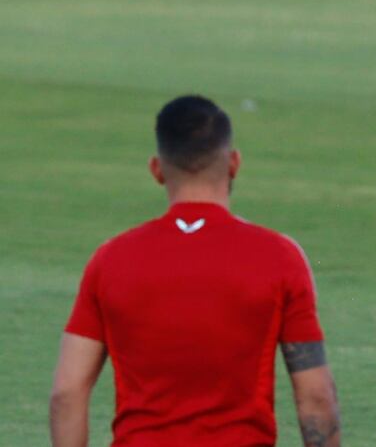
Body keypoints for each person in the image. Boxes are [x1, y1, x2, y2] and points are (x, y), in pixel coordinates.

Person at [50, 96, 340, 447]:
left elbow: (67, 394)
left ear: (157, 169)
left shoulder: (110, 260)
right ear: (233, 163)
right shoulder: (280, 258)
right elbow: (316, 398)